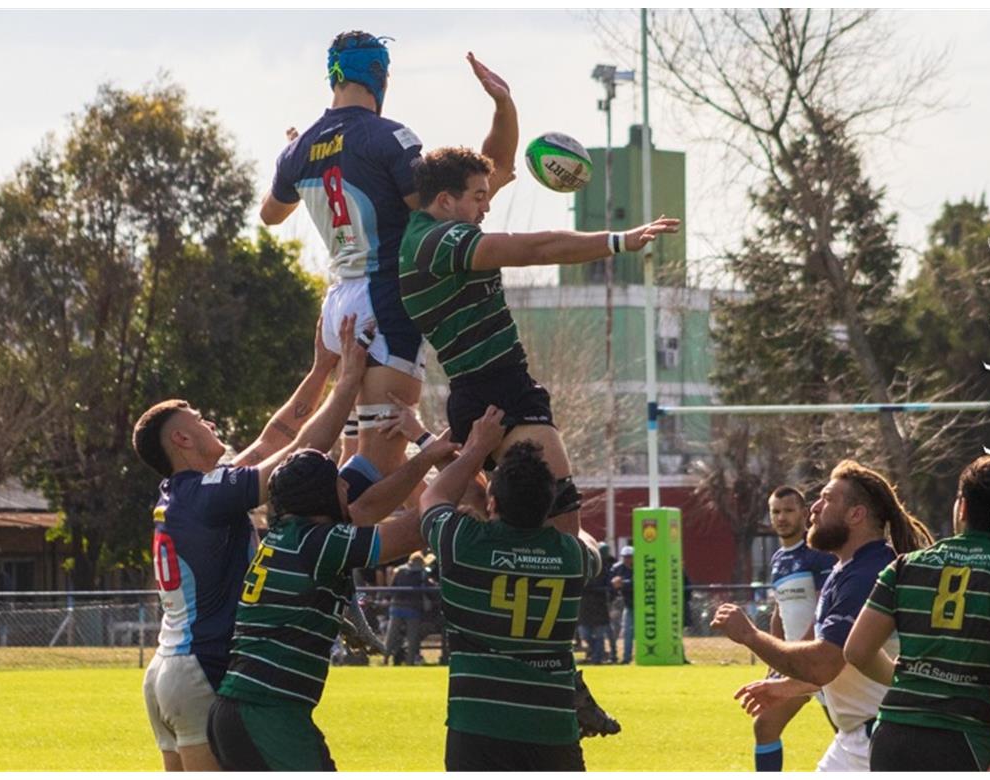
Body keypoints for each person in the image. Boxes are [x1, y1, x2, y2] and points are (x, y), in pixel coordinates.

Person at [134, 315, 414, 771]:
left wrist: (320, 370)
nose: (208, 421)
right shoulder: (204, 496)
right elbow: (297, 451)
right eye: (199, 420)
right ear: (182, 438)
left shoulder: (188, 492)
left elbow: (272, 438)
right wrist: (347, 381)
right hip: (201, 664)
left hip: (168, 669)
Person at [262, 31, 518, 486]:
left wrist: (299, 159)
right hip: (385, 301)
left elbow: (271, 214)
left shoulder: (298, 151)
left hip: (338, 306)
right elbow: (445, 203)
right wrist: (503, 112)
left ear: (333, 76)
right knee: (371, 477)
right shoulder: (390, 138)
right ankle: (462, 529)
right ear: (381, 77)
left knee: (350, 471)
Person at [398, 146, 680, 536]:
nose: (486, 208)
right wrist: (619, 241)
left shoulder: (420, 235)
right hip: (504, 394)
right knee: (563, 530)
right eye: (479, 197)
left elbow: (499, 156)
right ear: (445, 201)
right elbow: (535, 248)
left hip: (471, 394)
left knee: (503, 530)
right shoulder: (441, 241)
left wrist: (504, 104)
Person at [207, 440, 456, 771]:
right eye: (338, 482)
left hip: (239, 708)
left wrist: (427, 457)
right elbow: (412, 533)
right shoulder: (318, 541)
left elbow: (368, 506)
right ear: (320, 495)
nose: (347, 486)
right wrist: (471, 457)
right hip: (267, 712)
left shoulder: (287, 533)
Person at [418, 407, 617, 770]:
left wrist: (476, 449)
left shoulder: (464, 544)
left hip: (477, 730)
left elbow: (432, 498)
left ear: (492, 503)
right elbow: (581, 536)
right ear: (545, 509)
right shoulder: (573, 557)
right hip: (552, 730)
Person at [711, 460, 935, 772]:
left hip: (885, 739)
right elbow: (837, 665)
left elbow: (824, 663)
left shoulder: (867, 575)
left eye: (827, 499)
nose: (813, 508)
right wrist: (786, 687)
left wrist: (750, 635)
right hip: (861, 738)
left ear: (856, 515)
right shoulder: (848, 568)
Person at [843, 455, 990, 771]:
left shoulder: (905, 566)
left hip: (892, 735)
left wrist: (914, 678)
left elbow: (856, 651)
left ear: (962, 507)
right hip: (965, 740)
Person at [744, 485, 838, 771]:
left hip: (824, 661)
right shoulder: (778, 559)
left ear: (803, 512)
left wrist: (803, 653)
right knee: (765, 726)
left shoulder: (819, 555)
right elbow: (779, 611)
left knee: (849, 734)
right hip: (797, 664)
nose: (782, 517)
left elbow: (826, 610)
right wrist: (777, 657)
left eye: (788, 510)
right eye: (776, 511)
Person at [384, 551, 427, 665]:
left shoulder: (399, 571)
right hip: (413, 608)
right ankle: (410, 662)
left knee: (391, 636)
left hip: (396, 606)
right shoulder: (422, 574)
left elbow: (392, 588)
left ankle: (385, 659)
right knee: (412, 638)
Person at [578, 546, 613, 665]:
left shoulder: (606, 570)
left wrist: (595, 589)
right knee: (585, 635)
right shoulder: (583, 569)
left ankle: (597, 659)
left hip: (600, 607)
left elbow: (609, 587)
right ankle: (598, 653)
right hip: (585, 608)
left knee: (599, 636)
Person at [608, 546, 636, 664]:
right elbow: (610, 583)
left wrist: (622, 583)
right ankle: (626, 658)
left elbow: (638, 581)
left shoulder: (641, 565)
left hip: (644, 605)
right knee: (627, 632)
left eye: (630, 557)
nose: (628, 559)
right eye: (625, 557)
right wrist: (614, 583)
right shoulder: (617, 568)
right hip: (627, 604)